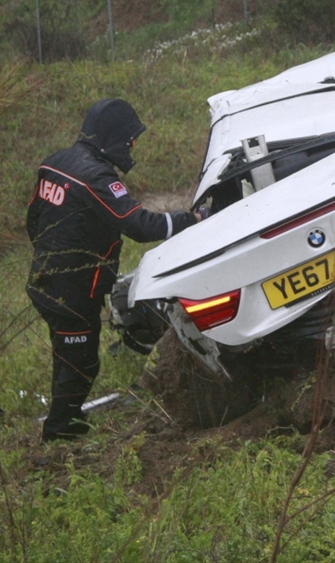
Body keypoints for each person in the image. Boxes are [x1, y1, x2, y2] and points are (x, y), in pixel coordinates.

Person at [26, 98, 205, 442]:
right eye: (131, 140)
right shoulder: (97, 177)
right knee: (81, 363)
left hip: (44, 280)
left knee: (67, 355)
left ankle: (68, 421)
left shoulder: (54, 163)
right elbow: (139, 225)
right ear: (113, 138)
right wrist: (193, 219)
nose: (132, 146)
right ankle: (60, 436)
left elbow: (33, 220)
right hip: (72, 290)